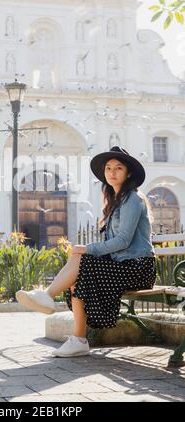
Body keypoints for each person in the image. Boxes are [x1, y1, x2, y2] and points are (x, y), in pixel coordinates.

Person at [16, 146, 156, 357]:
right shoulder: (115, 202)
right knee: (80, 271)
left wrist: (88, 248)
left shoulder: (133, 200)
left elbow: (124, 241)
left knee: (83, 258)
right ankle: (77, 339)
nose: (112, 172)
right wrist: (87, 251)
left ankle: (48, 297)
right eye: (108, 168)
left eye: (118, 168)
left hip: (138, 268)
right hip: (122, 266)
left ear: (128, 173)